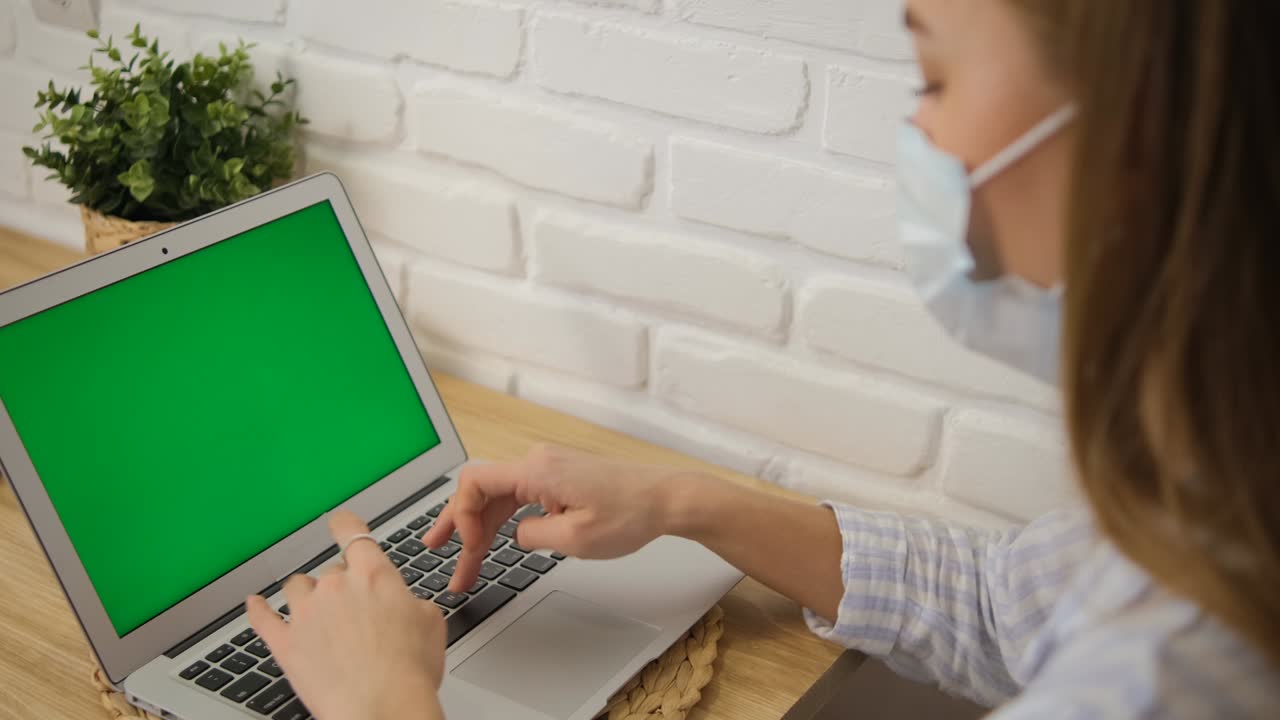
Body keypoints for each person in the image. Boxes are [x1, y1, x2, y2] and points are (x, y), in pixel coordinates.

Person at [244, 1, 1280, 717]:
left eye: (935, 74)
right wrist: (683, 504)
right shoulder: (1218, 518)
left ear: (1134, 145)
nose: (914, 128)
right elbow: (1008, 604)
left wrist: (382, 706)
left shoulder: (1165, 681)